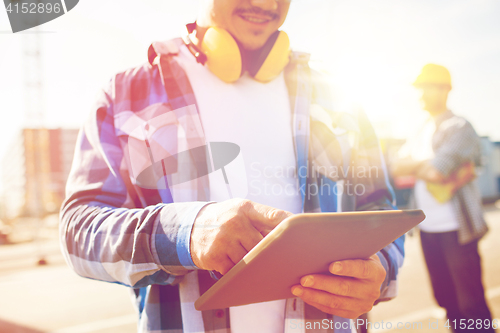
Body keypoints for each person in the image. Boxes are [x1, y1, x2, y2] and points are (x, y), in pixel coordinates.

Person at [59, 1, 405, 332]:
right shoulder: (124, 94)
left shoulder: (338, 97)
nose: (263, 2)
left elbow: (380, 207)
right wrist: (188, 233)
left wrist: (380, 269)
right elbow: (77, 232)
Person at [392, 64, 494, 332]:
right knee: (445, 299)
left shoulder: (460, 126)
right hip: (428, 229)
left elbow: (437, 171)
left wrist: (419, 166)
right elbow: (396, 167)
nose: (420, 95)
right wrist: (427, 166)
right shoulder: (419, 130)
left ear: (445, 89)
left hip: (456, 229)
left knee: (471, 305)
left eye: (426, 87)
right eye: (419, 88)